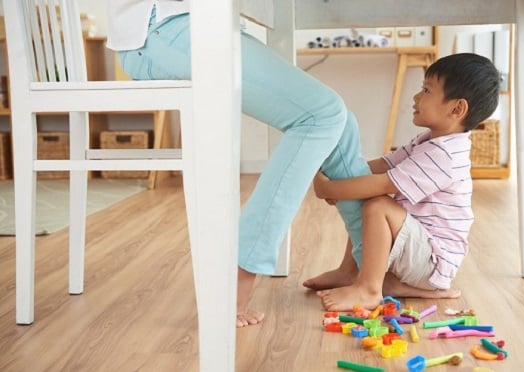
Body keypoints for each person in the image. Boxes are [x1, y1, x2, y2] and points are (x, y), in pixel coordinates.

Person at [105, 1, 370, 327]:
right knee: (322, 114)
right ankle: (238, 271)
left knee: (341, 123)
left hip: (194, 27)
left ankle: (367, 268)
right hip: (158, 33)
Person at [306, 53, 500, 311]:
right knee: (369, 200)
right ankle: (351, 273)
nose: (416, 97)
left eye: (426, 90)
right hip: (420, 248)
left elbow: (383, 184)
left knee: (377, 206)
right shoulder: (428, 140)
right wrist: (340, 177)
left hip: (432, 260)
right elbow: (380, 166)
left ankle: (369, 290)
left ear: (457, 109)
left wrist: (329, 189)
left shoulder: (443, 155)